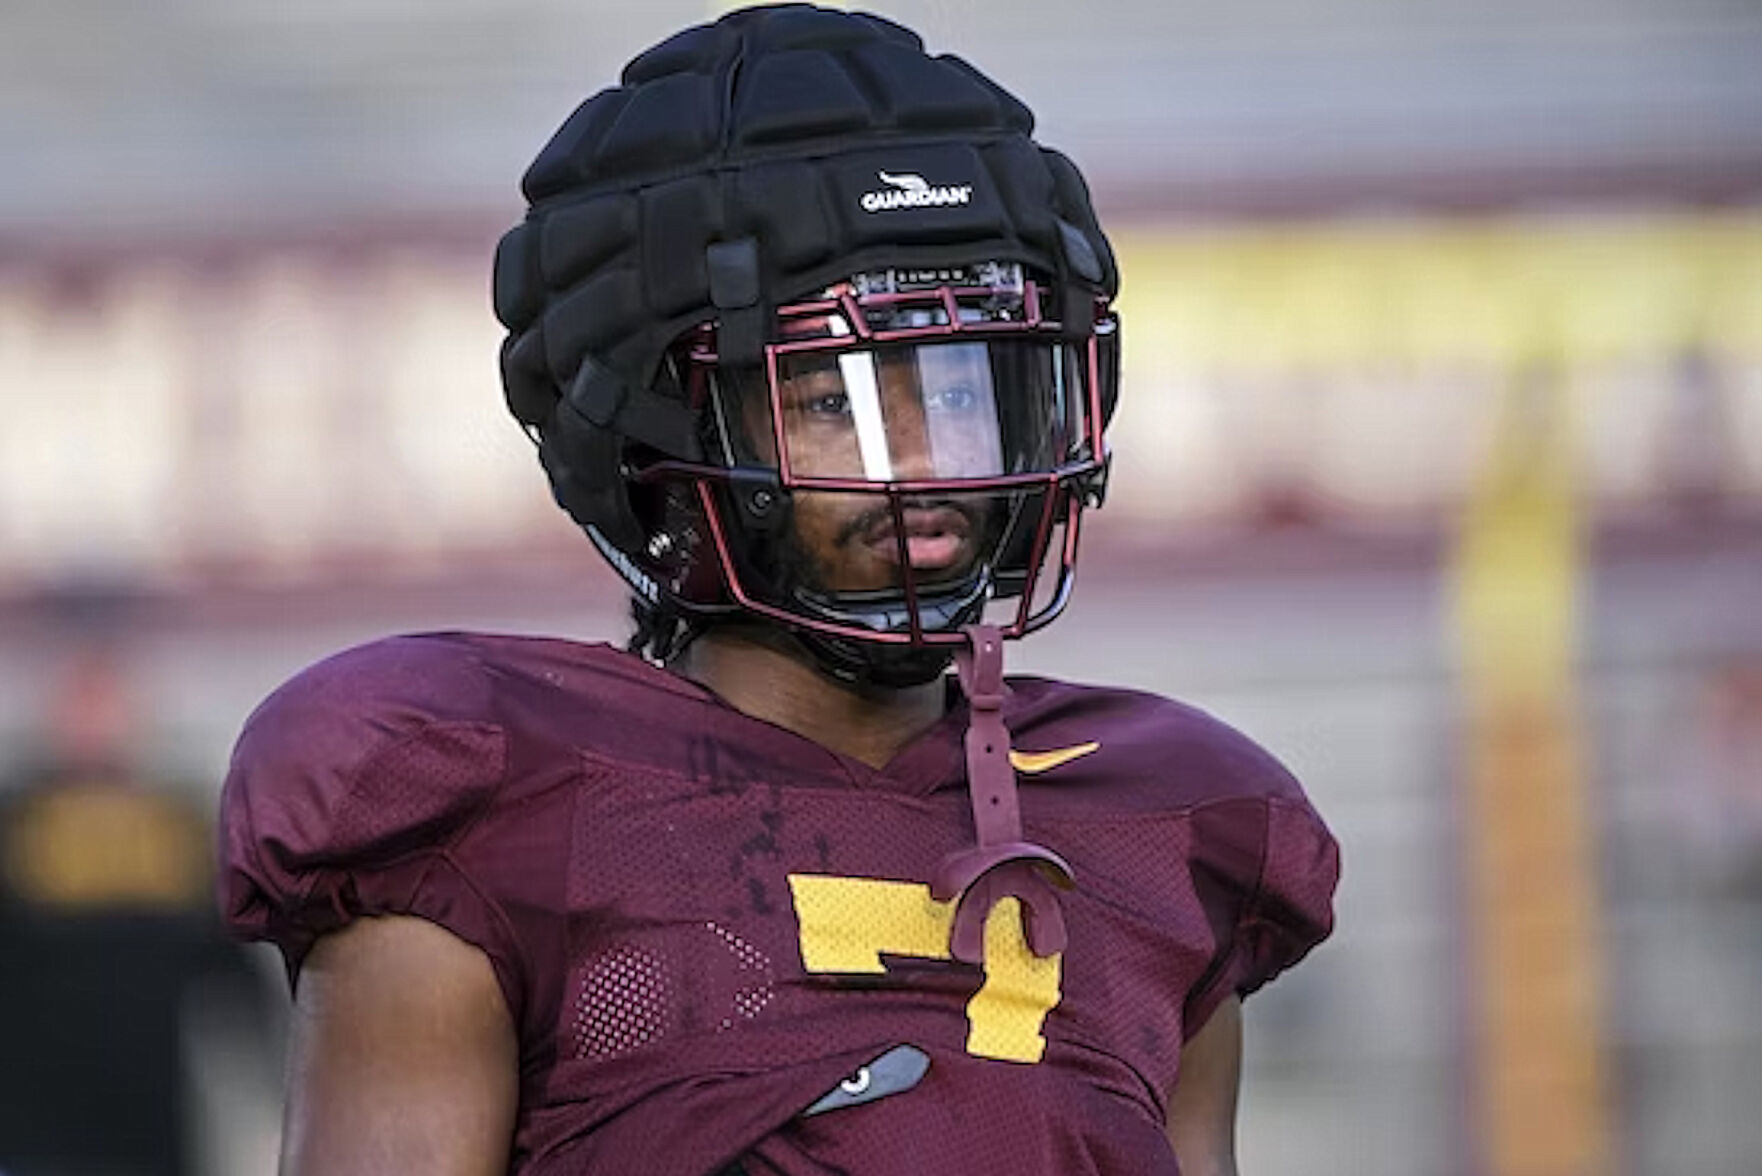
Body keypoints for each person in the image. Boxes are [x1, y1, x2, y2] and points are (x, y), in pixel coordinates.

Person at [217, 5, 1340, 1174]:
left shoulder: (1168, 826)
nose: (923, 460)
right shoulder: (487, 808)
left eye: (961, 392)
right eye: (829, 400)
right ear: (657, 426)